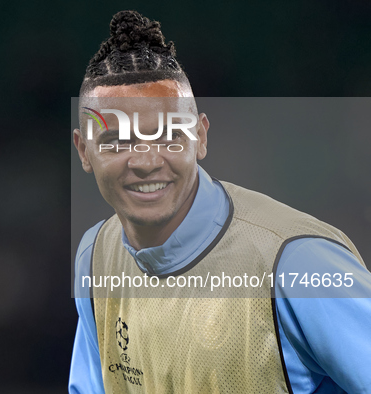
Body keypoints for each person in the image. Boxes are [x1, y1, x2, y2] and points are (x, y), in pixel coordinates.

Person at [69, 10, 371, 394]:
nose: (145, 162)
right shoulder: (96, 257)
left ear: (200, 137)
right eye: (117, 142)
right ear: (83, 150)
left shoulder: (296, 262)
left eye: (168, 136)